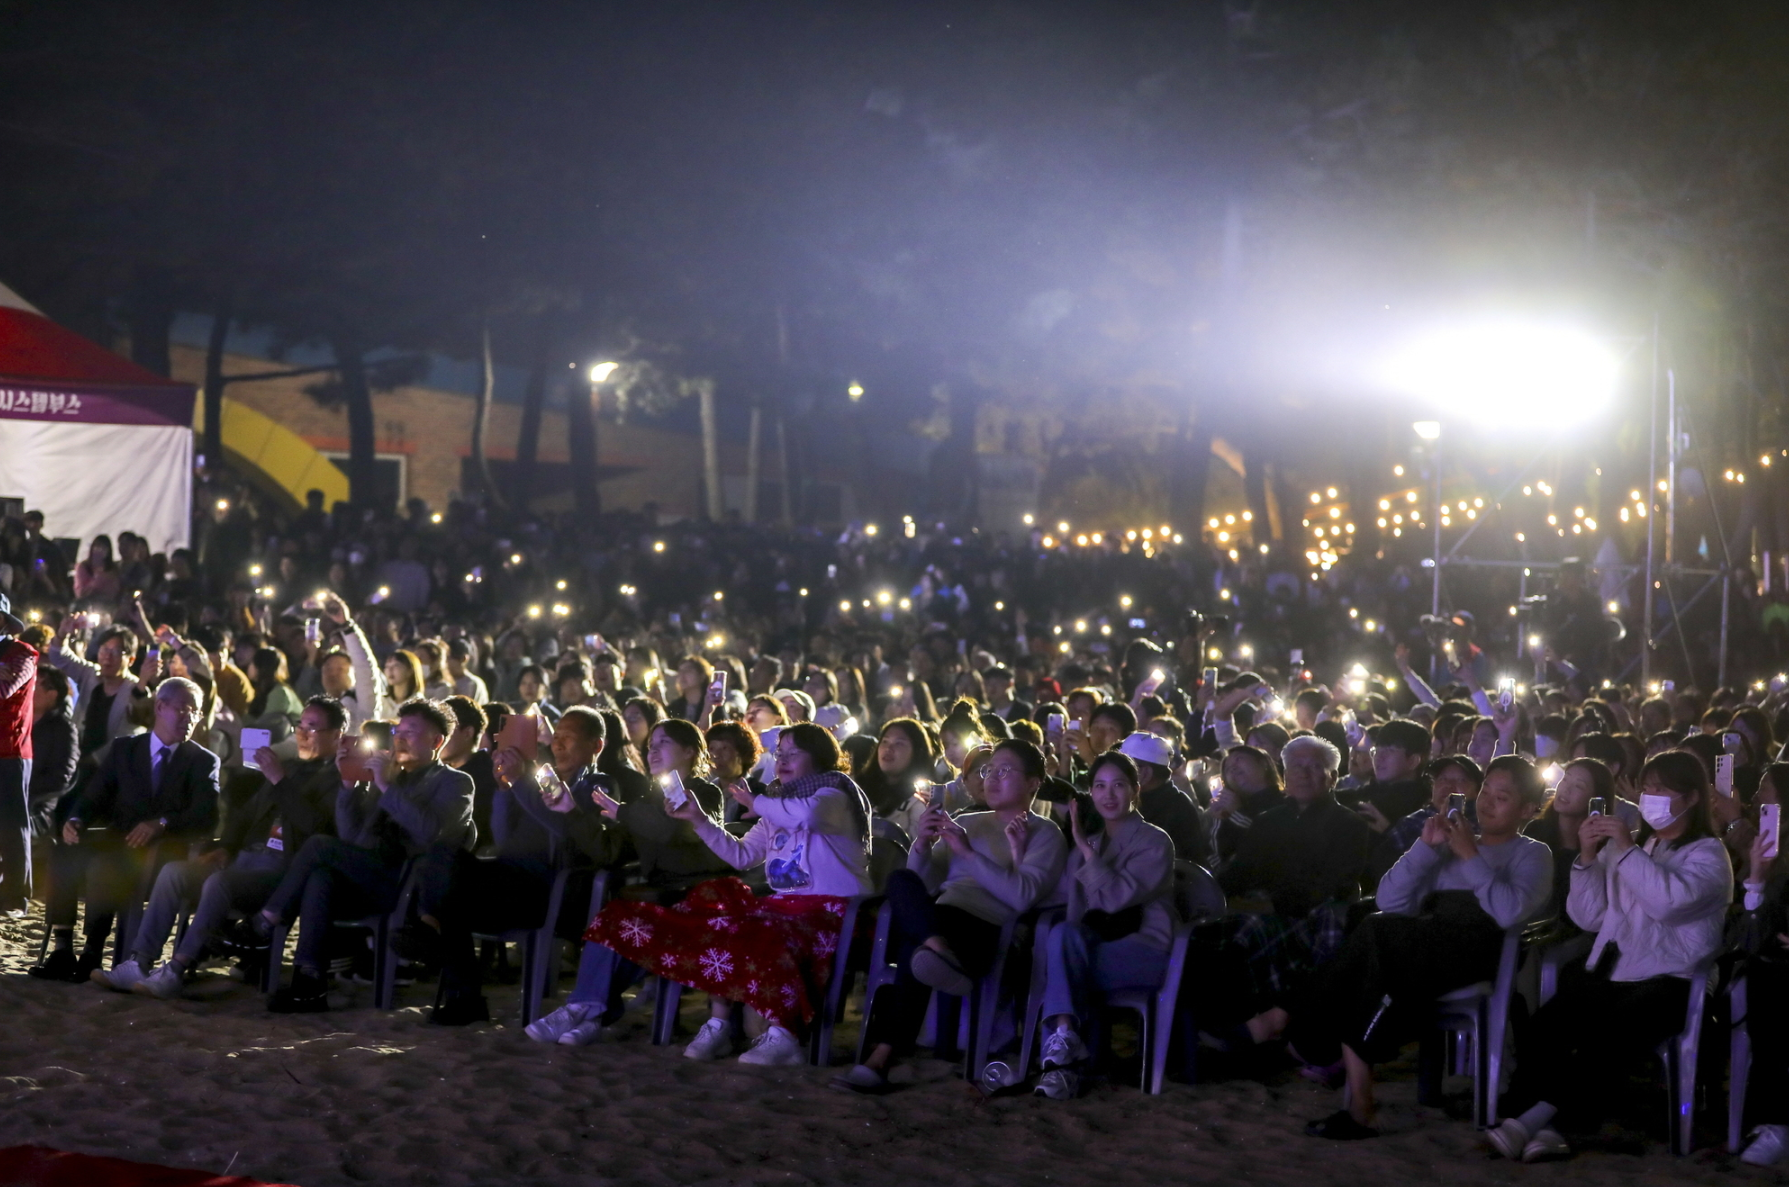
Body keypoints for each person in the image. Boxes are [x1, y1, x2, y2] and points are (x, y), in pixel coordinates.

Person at [1287, 755, 1553, 1139]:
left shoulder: (1532, 852)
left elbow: (1509, 912)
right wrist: (1425, 848)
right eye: (1487, 792)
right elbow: (1391, 901)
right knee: (1376, 947)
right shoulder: (1454, 842)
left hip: (1476, 951)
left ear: (1527, 809)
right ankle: (1359, 1107)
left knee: (1376, 937)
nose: (1488, 802)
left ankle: (1304, 1031)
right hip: (1418, 946)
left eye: (1503, 796)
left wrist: (1471, 856)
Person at [1488, 750, 1732, 1162]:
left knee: (1613, 1031)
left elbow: (1669, 903)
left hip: (1675, 979)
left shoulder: (1708, 854)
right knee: (1550, 1021)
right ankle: (1532, 1117)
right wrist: (1587, 859)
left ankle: (1542, 1120)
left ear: (1691, 798)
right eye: (1647, 787)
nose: (1651, 796)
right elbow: (1591, 915)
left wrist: (1624, 849)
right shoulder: (1640, 846)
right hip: (1617, 970)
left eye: (1663, 789)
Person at [582, 723, 874, 1066]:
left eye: (794, 752)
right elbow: (741, 855)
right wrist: (699, 819)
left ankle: (784, 1035)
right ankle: (718, 1024)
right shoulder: (777, 805)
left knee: (765, 929)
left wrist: (758, 801)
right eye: (780, 753)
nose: (783, 759)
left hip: (835, 911)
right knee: (722, 913)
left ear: (821, 757)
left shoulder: (833, 793)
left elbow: (807, 815)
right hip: (787, 909)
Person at [836, 738, 1068, 1093]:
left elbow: (1021, 897)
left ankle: (881, 1057)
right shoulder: (968, 822)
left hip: (984, 929)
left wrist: (968, 854)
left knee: (915, 945)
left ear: (1034, 782)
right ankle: (937, 951)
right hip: (942, 916)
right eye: (989, 770)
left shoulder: (1044, 832)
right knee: (901, 880)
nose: (992, 778)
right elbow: (926, 882)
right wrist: (923, 846)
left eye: (1005, 770)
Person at [92, 696, 345, 998]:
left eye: (312, 728)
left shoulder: (339, 779)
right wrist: (225, 847)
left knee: (220, 883)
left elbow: (317, 829)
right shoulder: (288, 767)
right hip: (245, 859)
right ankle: (139, 961)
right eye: (299, 726)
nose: (302, 734)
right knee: (174, 872)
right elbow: (244, 816)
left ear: (337, 734)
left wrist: (280, 780)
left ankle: (175, 969)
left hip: (281, 872)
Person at [256, 698, 475, 1013]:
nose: (400, 737)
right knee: (322, 877)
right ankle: (310, 983)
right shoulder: (389, 775)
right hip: (373, 876)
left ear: (437, 741)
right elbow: (352, 838)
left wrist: (387, 787)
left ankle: (267, 919)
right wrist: (348, 788)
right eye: (399, 730)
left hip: (411, 886)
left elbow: (431, 835)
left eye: (412, 732)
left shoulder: (455, 782)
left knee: (319, 845)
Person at [30, 678, 219, 982]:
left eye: (195, 712)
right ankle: (63, 946)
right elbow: (94, 794)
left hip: (161, 850)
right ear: (160, 707)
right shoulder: (125, 749)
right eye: (182, 709)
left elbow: (205, 816)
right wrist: (76, 819)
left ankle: (92, 951)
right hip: (118, 836)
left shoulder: (202, 761)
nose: (190, 718)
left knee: (107, 864)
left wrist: (162, 823)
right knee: (64, 847)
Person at [1028, 751, 1178, 1101]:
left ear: (1135, 790)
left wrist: (1084, 848)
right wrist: (1022, 853)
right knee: (1061, 935)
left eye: (1119, 786)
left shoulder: (1155, 841)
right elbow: (1056, 896)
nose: (1109, 795)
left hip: (1146, 951)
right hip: (1091, 949)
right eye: (1099, 786)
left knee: (1058, 969)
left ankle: (1060, 1066)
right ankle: (1064, 1053)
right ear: (1091, 794)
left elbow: (1115, 898)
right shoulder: (1089, 843)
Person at [1730, 763, 1789, 1165]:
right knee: (1765, 977)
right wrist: (1756, 879)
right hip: (1775, 964)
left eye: (1765, 792)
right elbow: (1750, 940)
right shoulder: (1769, 853)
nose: (1756, 801)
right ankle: (1775, 1123)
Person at [47, 619, 139, 762]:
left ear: (131, 659)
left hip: (109, 766)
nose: (107, 657)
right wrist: (62, 634)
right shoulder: (90, 673)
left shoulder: (135, 690)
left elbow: (127, 736)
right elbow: (59, 657)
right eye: (104, 649)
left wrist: (93, 761)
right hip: (74, 756)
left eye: (116, 652)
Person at [1116, 731, 1205, 864]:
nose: (1115, 771)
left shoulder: (1177, 809)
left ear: (1145, 773)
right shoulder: (1128, 798)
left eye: (1124, 766)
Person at [0, 593, 37, 914]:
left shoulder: (23, 654)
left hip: (11, 751)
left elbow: (3, 690)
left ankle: (16, 896)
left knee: (12, 825)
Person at [1205, 744, 1284, 864]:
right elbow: (1220, 857)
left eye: (1238, 759)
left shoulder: (1288, 801)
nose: (1233, 768)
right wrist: (1219, 819)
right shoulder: (1227, 809)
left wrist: (1237, 813)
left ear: (1263, 763)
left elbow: (1269, 845)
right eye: (1227, 769)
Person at [73, 536, 122, 606]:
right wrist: (98, 575)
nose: (99, 550)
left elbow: (114, 591)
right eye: (97, 547)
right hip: (88, 605)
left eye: (103, 548)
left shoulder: (112, 569)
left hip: (107, 606)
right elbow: (81, 592)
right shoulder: (83, 567)